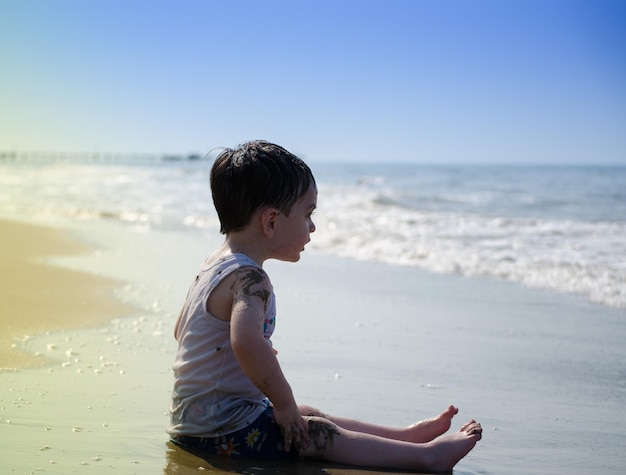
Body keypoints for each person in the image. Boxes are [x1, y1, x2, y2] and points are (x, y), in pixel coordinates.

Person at [167, 140, 482, 471]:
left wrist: (250, 364)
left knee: (309, 414)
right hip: (224, 431)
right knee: (314, 431)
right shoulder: (251, 279)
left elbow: (184, 331)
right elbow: (244, 341)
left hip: (194, 422)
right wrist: (282, 402)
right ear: (271, 222)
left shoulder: (213, 266)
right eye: (308, 214)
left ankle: (406, 436)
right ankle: (427, 458)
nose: (313, 227)